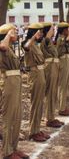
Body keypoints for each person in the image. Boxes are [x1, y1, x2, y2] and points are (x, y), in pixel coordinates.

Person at [0, 24, 30, 159]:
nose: (17, 33)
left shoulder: (11, 48)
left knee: (17, 116)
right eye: (15, 31)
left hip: (15, 82)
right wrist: (8, 34)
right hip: (8, 83)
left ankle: (14, 147)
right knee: (9, 117)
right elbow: (3, 46)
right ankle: (6, 151)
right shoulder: (3, 46)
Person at [23, 23, 50, 142]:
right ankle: (32, 132)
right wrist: (33, 37)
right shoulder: (28, 43)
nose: (42, 34)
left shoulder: (37, 45)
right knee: (35, 103)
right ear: (34, 33)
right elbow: (26, 47)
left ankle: (37, 129)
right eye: (39, 32)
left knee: (39, 103)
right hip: (34, 75)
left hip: (40, 73)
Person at [40, 22, 64, 128]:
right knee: (50, 93)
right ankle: (49, 118)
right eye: (52, 29)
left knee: (53, 92)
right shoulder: (44, 41)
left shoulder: (49, 41)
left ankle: (51, 116)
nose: (54, 31)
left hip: (54, 67)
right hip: (49, 68)